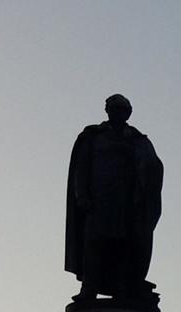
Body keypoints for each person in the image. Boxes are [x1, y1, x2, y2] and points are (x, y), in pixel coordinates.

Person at [65, 94, 164, 301]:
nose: (117, 112)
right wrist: (81, 195)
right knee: (94, 245)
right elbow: (81, 168)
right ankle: (88, 289)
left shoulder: (138, 140)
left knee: (123, 247)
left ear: (128, 113)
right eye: (114, 108)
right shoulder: (93, 137)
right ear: (107, 111)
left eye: (122, 109)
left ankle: (122, 289)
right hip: (98, 201)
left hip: (126, 204)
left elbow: (153, 167)